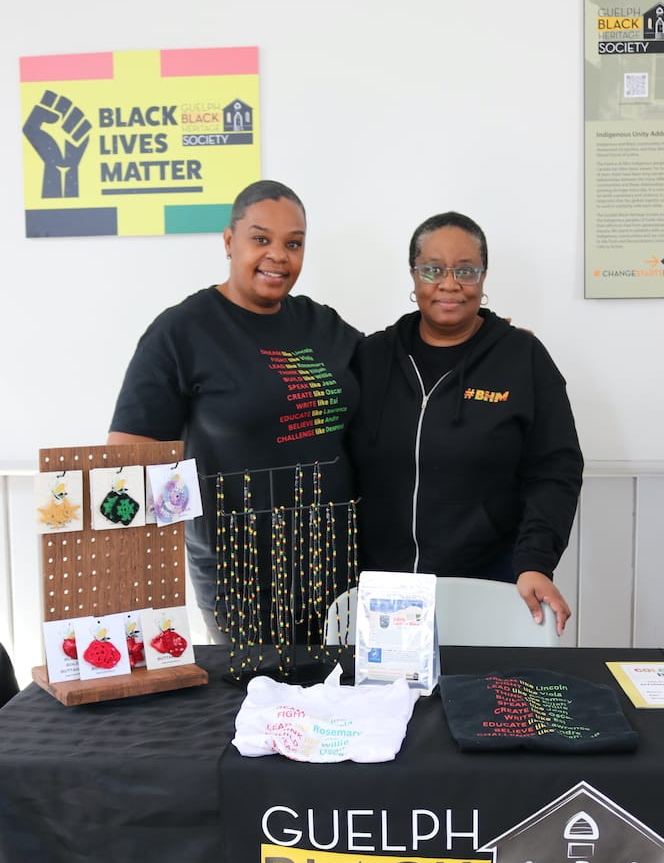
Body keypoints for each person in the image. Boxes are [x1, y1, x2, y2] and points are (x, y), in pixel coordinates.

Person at [108, 180, 362, 642]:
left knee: (342, 687)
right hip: (240, 577)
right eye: (261, 239)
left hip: (336, 565)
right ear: (229, 241)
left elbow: (393, 376)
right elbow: (130, 453)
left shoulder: (320, 323)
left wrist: (478, 341)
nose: (278, 255)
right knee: (254, 687)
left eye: (294, 244)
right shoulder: (183, 331)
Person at [348, 210, 583, 635]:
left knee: (483, 679)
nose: (449, 283)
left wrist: (535, 561)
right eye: (433, 269)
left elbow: (555, 470)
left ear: (483, 276)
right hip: (385, 592)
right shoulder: (372, 356)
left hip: (490, 582)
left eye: (466, 270)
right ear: (414, 275)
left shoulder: (522, 359)